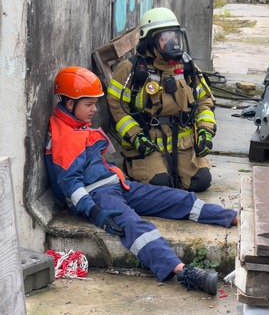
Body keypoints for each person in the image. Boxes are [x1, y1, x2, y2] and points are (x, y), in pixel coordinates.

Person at [45, 66, 238, 296]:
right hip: (100, 196)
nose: (95, 110)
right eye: (89, 104)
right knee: (137, 227)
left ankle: (233, 218)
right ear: (70, 104)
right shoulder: (64, 138)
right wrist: (95, 212)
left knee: (177, 198)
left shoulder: (74, 125)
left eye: (95, 104)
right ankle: (183, 272)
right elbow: (71, 186)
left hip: (117, 185)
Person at [107, 7, 216, 192]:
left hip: (182, 142)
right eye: (164, 38)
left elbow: (204, 100)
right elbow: (117, 107)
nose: (172, 42)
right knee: (160, 184)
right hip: (148, 143)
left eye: (174, 36)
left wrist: (205, 131)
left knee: (200, 181)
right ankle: (136, 166)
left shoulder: (188, 67)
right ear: (149, 41)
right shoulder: (130, 70)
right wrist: (135, 136)